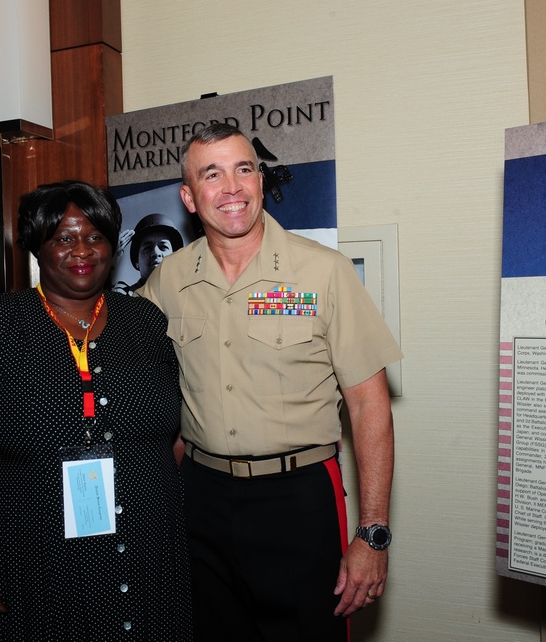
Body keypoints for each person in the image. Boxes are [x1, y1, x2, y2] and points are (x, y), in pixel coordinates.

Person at [137, 123, 403, 641]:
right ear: (189, 198)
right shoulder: (168, 281)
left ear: (260, 180)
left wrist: (372, 535)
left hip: (298, 499)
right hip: (202, 497)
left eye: (244, 169)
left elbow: (371, 407)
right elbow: (135, 379)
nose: (232, 187)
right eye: (212, 174)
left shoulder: (321, 273)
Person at [0, 181, 192, 640]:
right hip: (36, 562)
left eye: (94, 236)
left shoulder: (145, 323)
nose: (81, 250)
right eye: (63, 238)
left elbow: (177, 433)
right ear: (37, 248)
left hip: (151, 555)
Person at [114, 213, 184, 295]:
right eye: (147, 248)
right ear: (137, 261)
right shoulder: (122, 297)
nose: (156, 253)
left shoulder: (190, 294)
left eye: (163, 247)